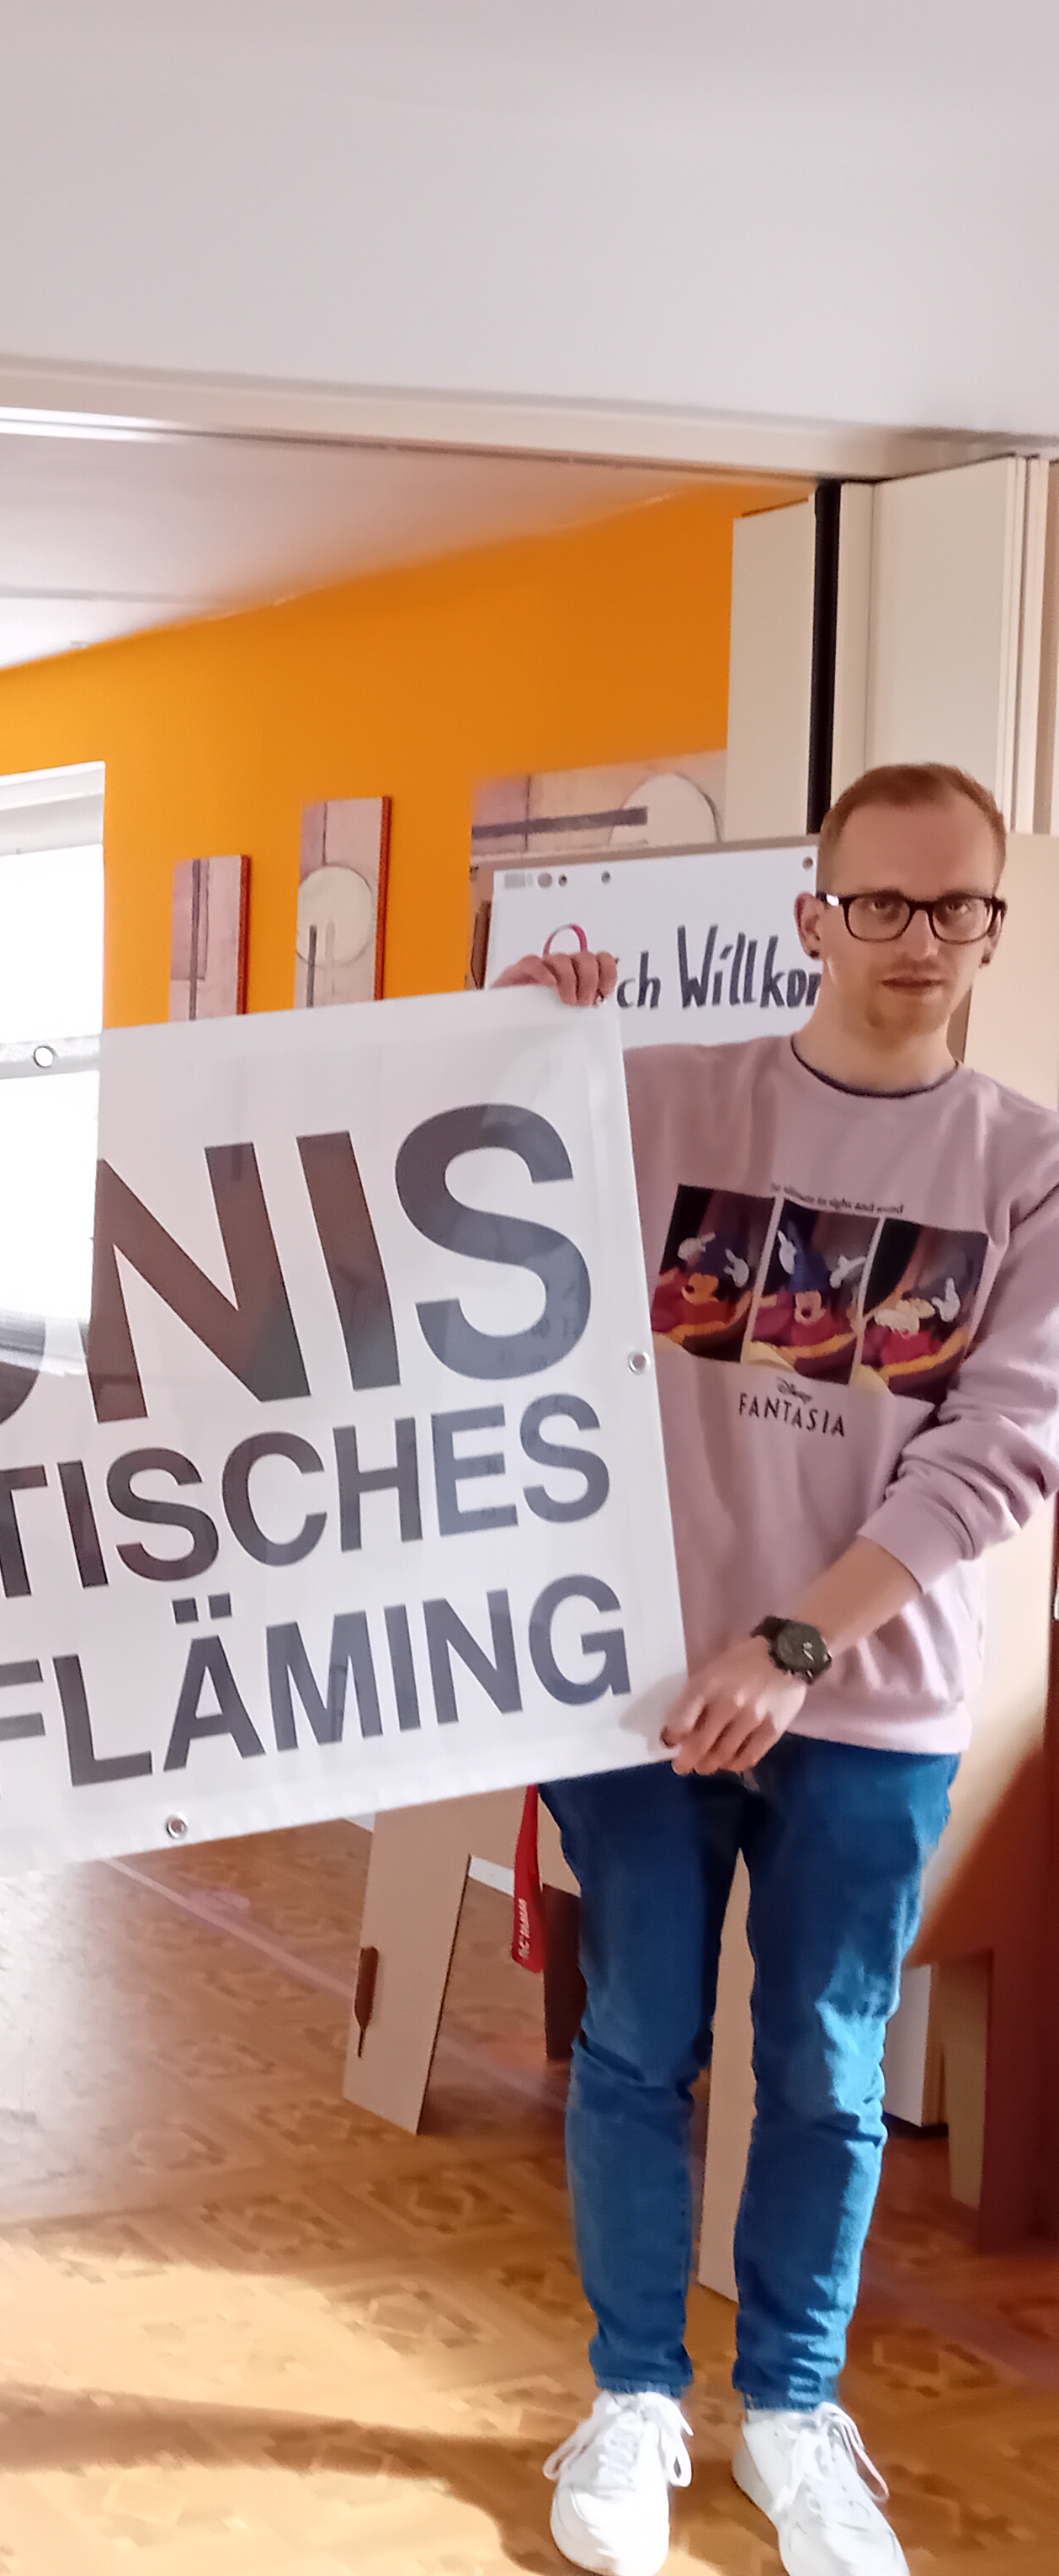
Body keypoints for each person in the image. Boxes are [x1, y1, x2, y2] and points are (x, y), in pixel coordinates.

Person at [499, 763, 1059, 2576]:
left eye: (957, 906)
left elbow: (1004, 1448)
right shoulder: (660, 1099)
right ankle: (634, 2397)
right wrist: (508, 1048)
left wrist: (799, 1642)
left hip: (871, 1703)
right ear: (813, 918)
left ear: (994, 926)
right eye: (880, 903)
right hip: (638, 1689)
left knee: (824, 2067)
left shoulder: (1031, 1166)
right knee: (636, 2042)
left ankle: (795, 2415)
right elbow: (456, 1234)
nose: (919, 939)